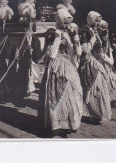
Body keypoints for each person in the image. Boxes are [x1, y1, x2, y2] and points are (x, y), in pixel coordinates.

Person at [38, 9, 83, 138]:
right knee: (57, 96)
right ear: (60, 20)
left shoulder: (70, 34)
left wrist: (76, 39)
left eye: (69, 22)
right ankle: (55, 125)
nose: (67, 25)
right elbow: (51, 55)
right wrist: (57, 38)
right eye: (65, 22)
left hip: (69, 69)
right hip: (57, 68)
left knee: (72, 96)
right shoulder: (53, 34)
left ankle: (67, 124)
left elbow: (78, 53)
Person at [79, 11, 111, 125]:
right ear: (91, 20)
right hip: (89, 62)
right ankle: (87, 112)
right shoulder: (85, 30)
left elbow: (102, 47)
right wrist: (92, 38)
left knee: (100, 87)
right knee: (92, 86)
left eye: (99, 21)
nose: (98, 23)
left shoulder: (97, 31)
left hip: (98, 61)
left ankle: (96, 113)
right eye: (96, 21)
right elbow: (85, 50)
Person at [97, 20, 116, 108]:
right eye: (103, 28)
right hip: (101, 61)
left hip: (108, 62)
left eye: (106, 28)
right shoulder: (98, 39)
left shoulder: (107, 39)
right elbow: (99, 51)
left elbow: (108, 49)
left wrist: (110, 58)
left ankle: (112, 98)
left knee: (113, 80)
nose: (105, 31)